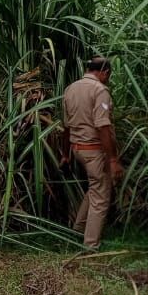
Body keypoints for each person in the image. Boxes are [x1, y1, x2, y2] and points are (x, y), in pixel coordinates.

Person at [60, 57, 124, 250]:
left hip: (77, 149)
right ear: (104, 71)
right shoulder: (99, 91)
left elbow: (66, 126)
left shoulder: (71, 89)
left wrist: (65, 154)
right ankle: (90, 246)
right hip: (94, 151)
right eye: (108, 75)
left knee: (96, 188)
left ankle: (77, 231)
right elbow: (102, 125)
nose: (108, 79)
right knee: (101, 197)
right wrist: (113, 159)